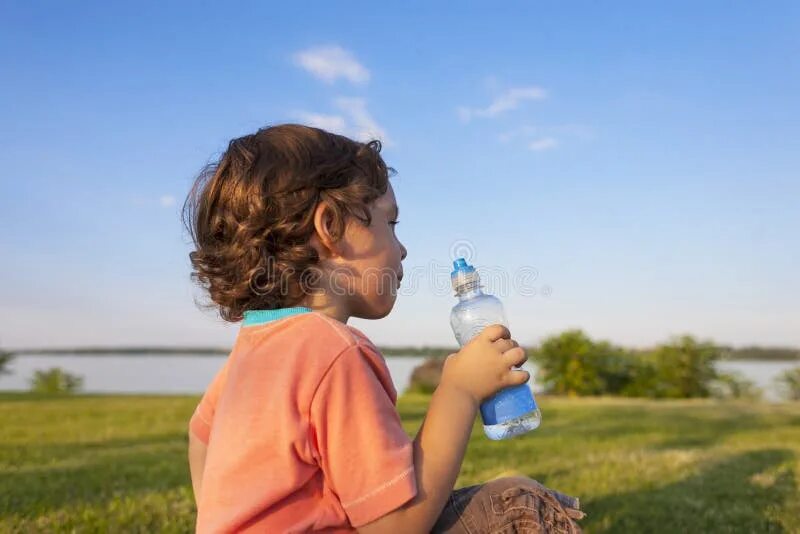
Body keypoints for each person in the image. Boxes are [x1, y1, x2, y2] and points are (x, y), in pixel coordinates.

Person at [183, 124, 584, 533]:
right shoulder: (333, 351)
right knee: (516, 505)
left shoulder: (253, 348)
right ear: (331, 228)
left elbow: (201, 439)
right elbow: (394, 527)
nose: (403, 247)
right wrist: (460, 391)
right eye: (390, 223)